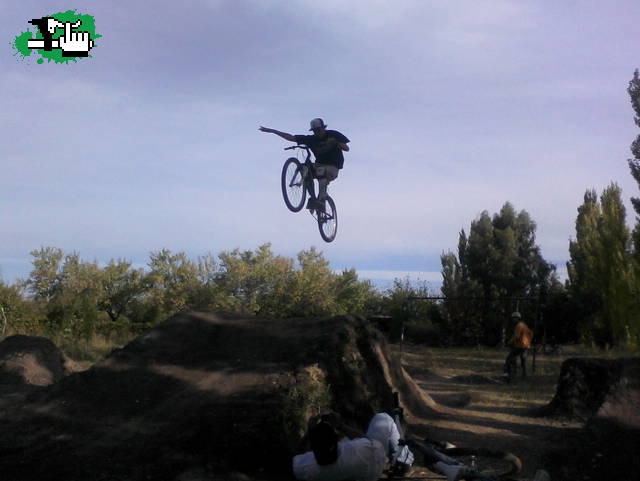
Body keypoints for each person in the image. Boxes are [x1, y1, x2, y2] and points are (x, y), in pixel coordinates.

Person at [259, 118, 350, 210]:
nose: (317, 133)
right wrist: (273, 131)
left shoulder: (333, 134)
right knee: (304, 170)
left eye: (319, 130)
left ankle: (321, 199)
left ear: (323, 128)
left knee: (320, 171)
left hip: (333, 167)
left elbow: (346, 148)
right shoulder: (311, 139)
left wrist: (336, 142)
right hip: (319, 165)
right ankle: (314, 198)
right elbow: (291, 137)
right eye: (315, 131)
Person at [292, 412, 413, 481]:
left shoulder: (305, 467)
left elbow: (298, 457)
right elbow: (365, 439)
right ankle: (404, 461)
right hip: (374, 460)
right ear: (336, 442)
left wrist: (311, 433)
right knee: (383, 418)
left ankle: (401, 462)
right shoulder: (356, 450)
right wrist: (341, 426)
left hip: (364, 471)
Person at [503, 311, 534, 380]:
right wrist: (528, 342)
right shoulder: (524, 325)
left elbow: (516, 336)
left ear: (517, 318)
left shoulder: (519, 326)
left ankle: (507, 374)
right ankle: (524, 375)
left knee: (509, 359)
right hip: (525, 346)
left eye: (514, 318)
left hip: (520, 346)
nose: (513, 320)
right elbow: (531, 334)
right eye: (513, 318)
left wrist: (509, 342)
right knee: (523, 361)